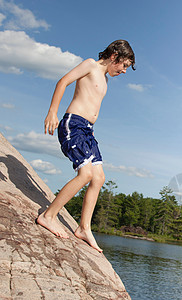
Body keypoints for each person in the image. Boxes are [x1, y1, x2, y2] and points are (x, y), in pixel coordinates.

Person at [37, 40, 135, 252]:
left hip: (88, 130)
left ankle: (83, 228)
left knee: (99, 178)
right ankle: (48, 215)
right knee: (86, 175)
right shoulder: (90, 65)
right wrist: (53, 111)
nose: (124, 71)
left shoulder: (105, 79)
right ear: (114, 56)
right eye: (124, 65)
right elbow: (63, 82)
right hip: (74, 125)